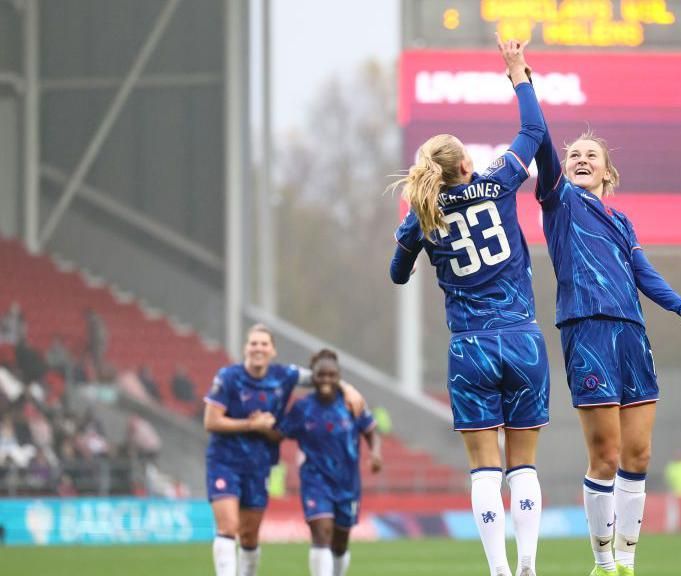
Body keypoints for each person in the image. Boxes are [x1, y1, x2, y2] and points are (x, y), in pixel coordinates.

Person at [532, 68, 681, 576]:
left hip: (632, 334)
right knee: (604, 455)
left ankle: (626, 562)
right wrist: (523, 81)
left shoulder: (622, 220)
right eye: (574, 155)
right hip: (587, 331)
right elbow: (540, 142)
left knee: (639, 454)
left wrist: (679, 304)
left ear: (607, 173)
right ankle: (602, 562)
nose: (581, 160)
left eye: (592, 156)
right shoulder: (559, 202)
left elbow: (642, 272)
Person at [388, 36, 549, 576]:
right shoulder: (498, 181)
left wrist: (407, 236)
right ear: (463, 162)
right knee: (522, 463)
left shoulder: (422, 218)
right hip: (521, 337)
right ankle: (528, 560)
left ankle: (498, 569)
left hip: (471, 347)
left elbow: (397, 274)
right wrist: (517, 73)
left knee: (483, 466)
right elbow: (533, 132)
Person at [203, 323, 365, 576]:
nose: (258, 348)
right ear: (246, 348)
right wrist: (250, 424)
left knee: (249, 535)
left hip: (259, 464)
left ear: (273, 351)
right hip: (225, 462)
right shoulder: (228, 378)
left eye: (264, 344)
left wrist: (347, 388)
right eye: (254, 343)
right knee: (228, 526)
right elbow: (211, 421)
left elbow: (321, 375)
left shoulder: (284, 375)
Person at [274, 349, 382, 576]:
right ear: (313, 377)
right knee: (322, 533)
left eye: (331, 375)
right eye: (321, 375)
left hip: (347, 484)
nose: (326, 379)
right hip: (315, 481)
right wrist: (259, 424)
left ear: (338, 376)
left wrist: (375, 453)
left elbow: (371, 430)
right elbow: (279, 433)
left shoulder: (351, 402)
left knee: (340, 543)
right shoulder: (302, 408)